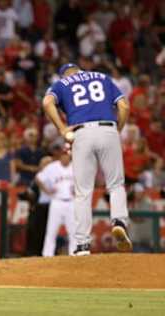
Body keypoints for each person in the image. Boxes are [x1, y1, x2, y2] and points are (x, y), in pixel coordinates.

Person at [42, 63, 132, 255]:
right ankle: (119, 222)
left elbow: (47, 102)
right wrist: (118, 130)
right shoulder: (102, 77)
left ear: (64, 74)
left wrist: (61, 129)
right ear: (80, 70)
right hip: (108, 129)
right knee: (116, 184)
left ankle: (82, 245)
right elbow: (124, 105)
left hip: (80, 132)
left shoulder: (62, 83)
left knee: (83, 191)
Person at [36, 148, 75, 256]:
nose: (65, 157)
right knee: (51, 230)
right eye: (63, 155)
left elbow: (86, 182)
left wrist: (78, 190)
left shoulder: (76, 167)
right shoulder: (52, 167)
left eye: (67, 155)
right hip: (56, 202)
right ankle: (47, 255)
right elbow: (39, 178)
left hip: (72, 202)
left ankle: (75, 255)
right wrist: (47, 191)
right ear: (60, 156)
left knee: (73, 231)